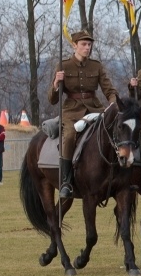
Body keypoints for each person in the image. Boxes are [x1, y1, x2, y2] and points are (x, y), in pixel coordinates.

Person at [48, 30, 119, 198]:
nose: (87, 48)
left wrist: (113, 104)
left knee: (114, 130)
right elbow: (52, 99)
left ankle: (117, 173)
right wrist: (57, 83)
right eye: (84, 45)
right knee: (71, 134)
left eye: (89, 45)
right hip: (71, 111)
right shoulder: (63, 66)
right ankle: (66, 180)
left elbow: (109, 90)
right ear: (74, 45)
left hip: (95, 108)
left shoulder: (96, 66)